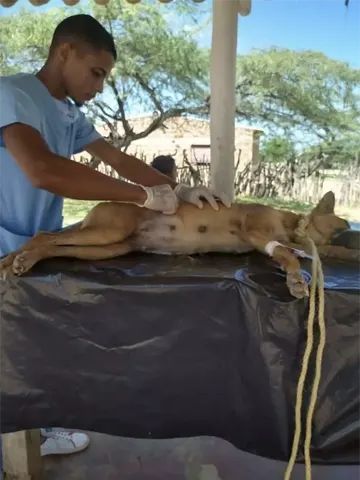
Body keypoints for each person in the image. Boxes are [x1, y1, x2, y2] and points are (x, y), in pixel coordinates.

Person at [0, 14, 230, 458]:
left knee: (25, 343)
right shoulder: (12, 94)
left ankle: (36, 431)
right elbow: (42, 169)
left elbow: (118, 159)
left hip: (33, 238)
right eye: (96, 72)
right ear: (64, 51)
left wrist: (176, 190)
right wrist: (142, 196)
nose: (100, 86)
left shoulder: (69, 113)